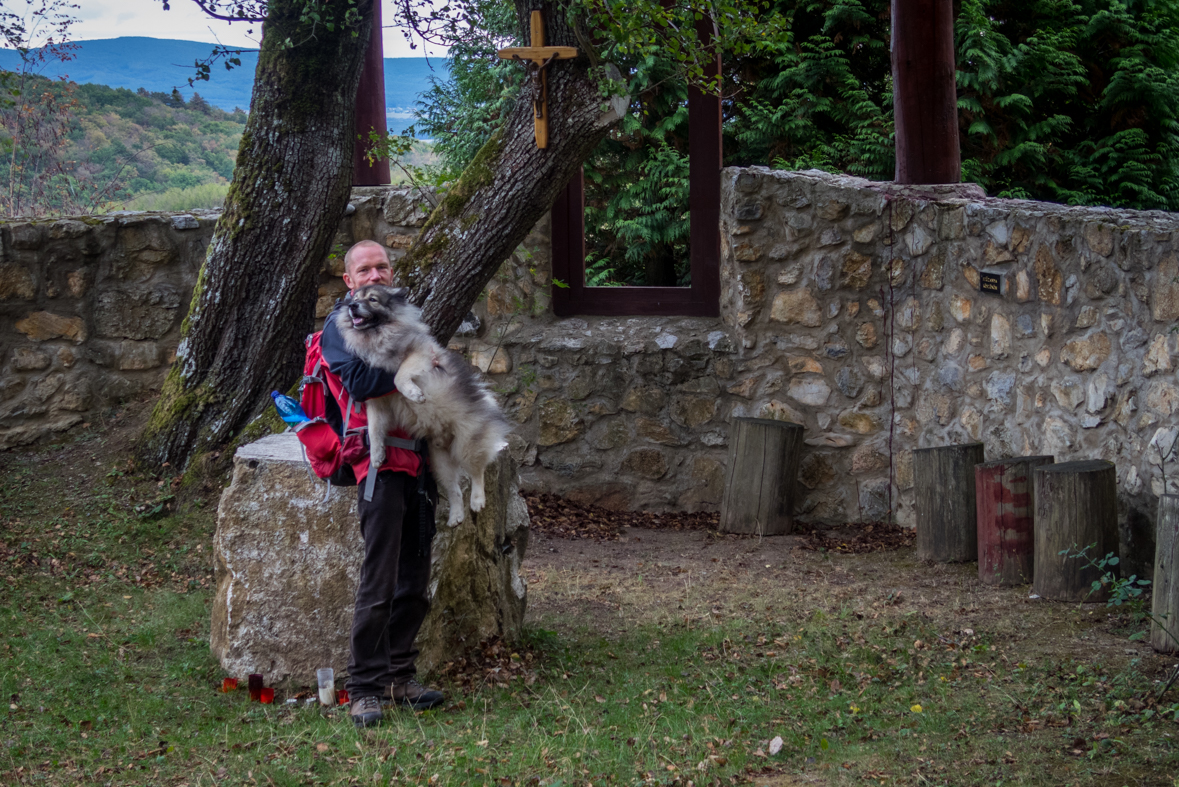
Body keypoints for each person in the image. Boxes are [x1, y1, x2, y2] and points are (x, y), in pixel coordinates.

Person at [319, 239, 444, 727]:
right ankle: (365, 687)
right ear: (349, 280)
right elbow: (360, 383)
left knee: (414, 577)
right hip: (378, 466)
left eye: (382, 267)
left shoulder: (404, 319)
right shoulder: (341, 325)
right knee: (380, 579)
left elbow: (437, 379)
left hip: (419, 460)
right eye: (364, 269)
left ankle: (398, 675)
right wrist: (412, 363)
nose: (375, 275)